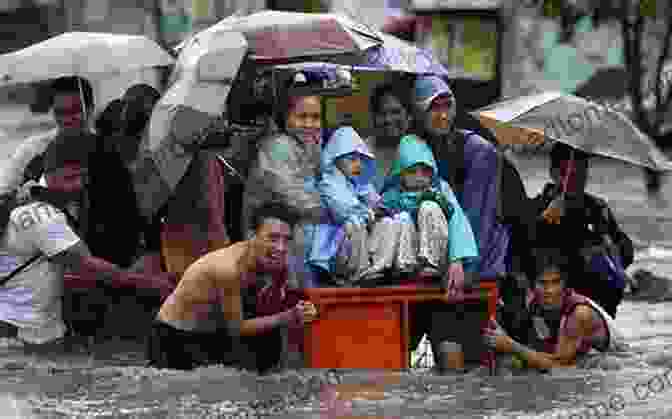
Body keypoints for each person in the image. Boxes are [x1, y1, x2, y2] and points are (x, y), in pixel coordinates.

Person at [0, 134, 176, 349]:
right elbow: (85, 263)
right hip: (25, 336)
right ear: (49, 172)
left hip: (23, 331)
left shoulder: (30, 203)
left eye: (82, 177)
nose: (77, 185)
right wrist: (150, 283)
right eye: (69, 178)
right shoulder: (41, 215)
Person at [148, 202, 318, 372]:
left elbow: (275, 304)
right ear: (252, 236)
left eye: (286, 240)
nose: (281, 248)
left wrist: (302, 311)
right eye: (272, 238)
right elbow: (237, 328)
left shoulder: (277, 261)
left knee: (271, 337)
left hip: (217, 329)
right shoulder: (228, 268)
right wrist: (289, 315)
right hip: (175, 337)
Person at [410, 76, 510, 281]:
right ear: (420, 112)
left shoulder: (477, 150)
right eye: (434, 108)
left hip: (477, 268)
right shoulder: (415, 148)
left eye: (448, 107)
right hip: (438, 265)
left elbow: (479, 217)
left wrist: (464, 267)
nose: (443, 115)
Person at [243, 71, 326, 288]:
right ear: (285, 117)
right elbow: (293, 197)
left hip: (291, 229)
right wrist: (330, 211)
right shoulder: (277, 147)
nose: (309, 124)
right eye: (302, 117)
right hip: (270, 235)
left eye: (315, 117)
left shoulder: (306, 145)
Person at [531, 143, 633, 318]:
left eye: (581, 175)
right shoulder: (536, 208)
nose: (575, 181)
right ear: (553, 173)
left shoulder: (597, 208)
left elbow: (623, 249)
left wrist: (606, 254)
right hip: (556, 300)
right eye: (568, 174)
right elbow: (529, 255)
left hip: (599, 300)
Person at [483, 249, 626, 371]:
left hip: (621, 363)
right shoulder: (535, 306)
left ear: (565, 283)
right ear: (531, 286)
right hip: (576, 357)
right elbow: (543, 348)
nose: (550, 290)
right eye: (542, 283)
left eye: (556, 282)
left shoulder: (579, 314)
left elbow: (558, 368)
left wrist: (511, 346)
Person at [307, 126, 382, 283]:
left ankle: (381, 267)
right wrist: (369, 212)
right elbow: (344, 211)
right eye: (352, 159)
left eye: (361, 160)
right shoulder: (328, 183)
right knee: (353, 222)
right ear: (336, 158)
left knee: (389, 222)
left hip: (357, 242)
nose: (358, 165)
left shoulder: (358, 182)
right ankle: (360, 271)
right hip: (334, 247)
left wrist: (376, 208)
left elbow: (378, 204)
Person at [367, 80, 415, 190]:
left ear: (409, 116)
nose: (388, 119)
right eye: (382, 113)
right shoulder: (361, 153)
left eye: (395, 112)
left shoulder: (420, 151)